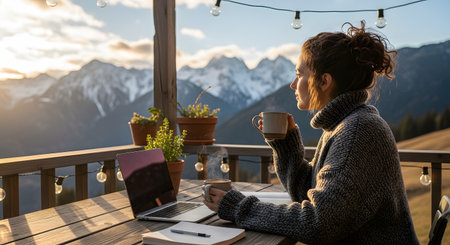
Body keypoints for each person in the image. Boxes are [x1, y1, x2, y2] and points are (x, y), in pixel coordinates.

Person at [202, 21, 419, 244]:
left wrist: (239, 206)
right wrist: (286, 146)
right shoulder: (344, 124)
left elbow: (318, 223)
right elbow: (309, 193)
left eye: (299, 74)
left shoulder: (357, 131)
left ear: (324, 81)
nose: (293, 84)